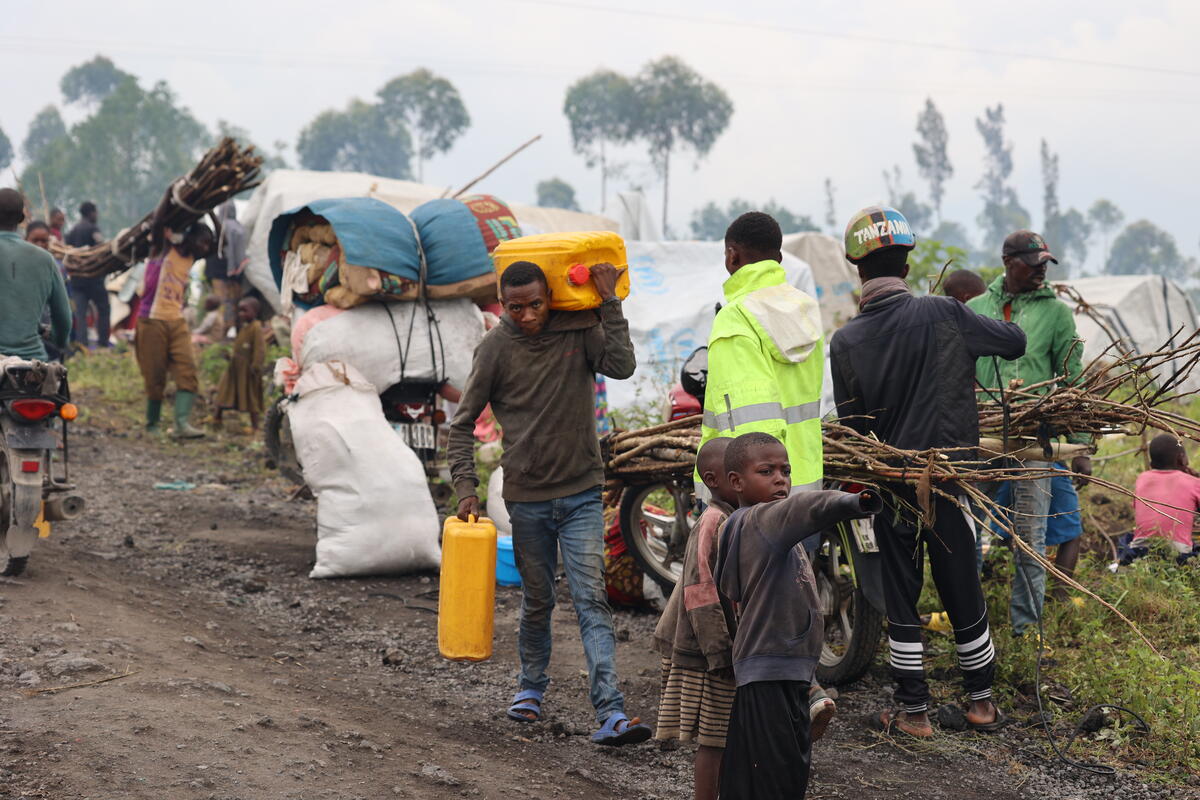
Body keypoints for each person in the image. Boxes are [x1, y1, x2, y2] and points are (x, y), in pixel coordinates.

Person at [830, 205, 1026, 738]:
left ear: (857, 267)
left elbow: (853, 428)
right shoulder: (944, 313)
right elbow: (1014, 344)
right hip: (949, 481)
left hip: (892, 484)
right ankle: (981, 704)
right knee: (960, 579)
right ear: (909, 263)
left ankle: (913, 711)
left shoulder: (846, 341)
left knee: (901, 591)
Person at [448, 260, 650, 746]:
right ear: (503, 303)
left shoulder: (580, 329)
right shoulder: (495, 348)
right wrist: (466, 490)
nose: (527, 315)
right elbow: (461, 425)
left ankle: (611, 712)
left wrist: (609, 303)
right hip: (527, 497)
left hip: (581, 492)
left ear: (550, 297)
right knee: (537, 600)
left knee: (590, 600)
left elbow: (622, 366)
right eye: (515, 307)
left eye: (536, 304)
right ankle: (531, 689)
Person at [696, 211, 837, 733]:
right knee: (792, 598)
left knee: (752, 611)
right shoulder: (802, 309)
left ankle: (786, 707)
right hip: (804, 481)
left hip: (755, 495)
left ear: (732, 255)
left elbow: (750, 424)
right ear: (778, 255)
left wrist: (739, 497)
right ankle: (800, 695)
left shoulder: (735, 319)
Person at [714, 432, 881, 800]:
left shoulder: (756, 527)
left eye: (786, 471)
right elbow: (808, 507)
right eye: (767, 470)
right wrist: (854, 501)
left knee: (759, 771)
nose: (781, 479)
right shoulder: (762, 521)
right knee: (778, 775)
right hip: (771, 672)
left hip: (779, 670)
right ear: (736, 482)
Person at [968, 230, 1093, 635]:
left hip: (1032, 439)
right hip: (982, 434)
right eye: (1032, 262)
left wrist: (1078, 445)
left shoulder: (1057, 313)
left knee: (1030, 538)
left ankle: (1025, 629)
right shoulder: (976, 308)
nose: (1041, 270)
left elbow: (1071, 377)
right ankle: (969, 624)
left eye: (1045, 263)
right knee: (968, 529)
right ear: (1008, 261)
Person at [653, 438, 737, 800]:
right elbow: (699, 590)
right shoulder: (713, 521)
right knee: (714, 739)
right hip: (707, 652)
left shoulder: (737, 517)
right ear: (714, 479)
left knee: (730, 735)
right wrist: (719, 652)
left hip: (727, 649)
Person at [136, 221, 213, 438]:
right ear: (190, 237)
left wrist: (208, 215)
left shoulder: (192, 258)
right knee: (155, 375)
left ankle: (181, 424)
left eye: (208, 244)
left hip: (177, 321)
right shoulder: (162, 248)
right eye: (203, 242)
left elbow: (218, 246)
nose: (205, 248)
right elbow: (160, 218)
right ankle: (152, 425)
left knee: (187, 369)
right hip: (152, 320)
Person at [0, 190, 71, 359]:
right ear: (21, 219)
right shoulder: (46, 259)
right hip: (31, 365)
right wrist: (60, 342)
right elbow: (63, 317)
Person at [1121, 434, 1200, 566]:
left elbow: (1139, 507)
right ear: (1181, 458)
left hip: (1140, 549)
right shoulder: (1193, 482)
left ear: (1152, 462)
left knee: (1128, 538)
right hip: (1179, 551)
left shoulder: (1142, 478)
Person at [214, 298, 266, 432]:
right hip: (234, 367)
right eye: (240, 311)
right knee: (224, 391)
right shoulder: (241, 327)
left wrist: (256, 365)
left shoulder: (256, 327)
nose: (241, 314)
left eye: (245, 310)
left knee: (250, 395)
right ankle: (216, 418)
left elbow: (259, 348)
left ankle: (255, 427)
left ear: (255, 311)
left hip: (248, 369)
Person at [64, 201, 111, 349]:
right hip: (94, 278)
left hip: (77, 281)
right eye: (95, 212)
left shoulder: (72, 231)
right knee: (103, 309)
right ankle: (103, 343)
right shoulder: (92, 229)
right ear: (91, 213)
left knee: (80, 314)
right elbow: (102, 248)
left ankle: (82, 345)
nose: (97, 215)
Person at [25, 220, 71, 361]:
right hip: (23, 336)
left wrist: (60, 338)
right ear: (25, 240)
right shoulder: (18, 265)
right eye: (35, 240)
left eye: (44, 241)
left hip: (46, 334)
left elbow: (62, 310)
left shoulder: (55, 268)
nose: (40, 245)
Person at [207, 200, 248, 332]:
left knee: (220, 303)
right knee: (233, 302)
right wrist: (235, 270)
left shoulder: (217, 228)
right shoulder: (239, 228)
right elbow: (240, 254)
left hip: (217, 273)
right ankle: (231, 330)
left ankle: (220, 330)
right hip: (234, 274)